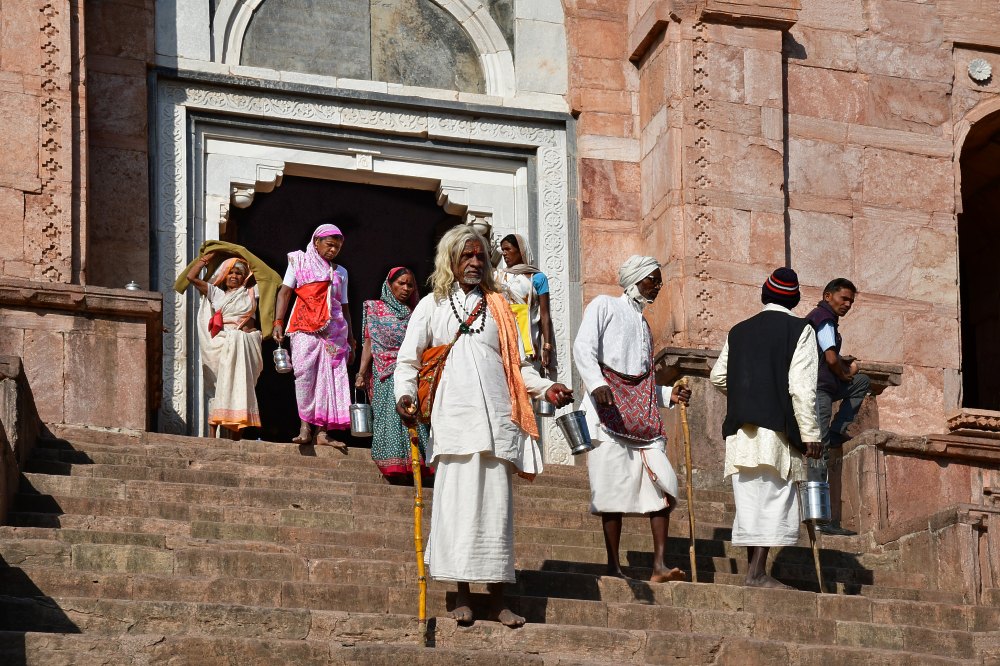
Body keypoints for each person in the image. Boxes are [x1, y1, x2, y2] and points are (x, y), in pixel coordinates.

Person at [394, 225, 573, 627]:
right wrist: (405, 395)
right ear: (451, 260)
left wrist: (547, 388)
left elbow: (519, 366)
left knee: (496, 513)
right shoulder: (432, 305)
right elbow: (408, 360)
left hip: (497, 422)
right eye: (467, 256)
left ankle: (498, 598)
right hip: (454, 420)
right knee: (456, 508)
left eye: (480, 256)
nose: (475, 262)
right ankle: (460, 594)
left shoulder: (500, 307)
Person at [573, 255, 691, 583]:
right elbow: (583, 347)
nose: (658, 285)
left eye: (659, 280)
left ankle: (659, 566)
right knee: (611, 493)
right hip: (606, 416)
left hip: (642, 422)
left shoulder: (644, 325)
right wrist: (596, 384)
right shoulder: (604, 305)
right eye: (653, 278)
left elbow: (641, 379)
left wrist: (667, 395)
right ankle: (613, 566)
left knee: (662, 484)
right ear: (635, 280)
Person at [709, 267, 823, 589]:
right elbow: (801, 389)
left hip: (741, 433)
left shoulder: (738, 331)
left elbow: (718, 377)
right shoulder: (801, 330)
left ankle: (754, 572)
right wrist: (811, 434)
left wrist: (749, 394)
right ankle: (757, 573)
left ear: (764, 294)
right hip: (776, 431)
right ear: (795, 300)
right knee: (774, 497)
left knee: (751, 500)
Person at [272, 224, 356, 450]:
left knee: (329, 379)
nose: (333, 250)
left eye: (337, 247)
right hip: (303, 325)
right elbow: (285, 293)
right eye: (329, 245)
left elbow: (345, 306)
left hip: (334, 332)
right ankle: (305, 427)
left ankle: (323, 433)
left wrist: (351, 339)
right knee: (304, 375)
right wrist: (278, 321)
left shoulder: (341, 272)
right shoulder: (298, 261)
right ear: (316, 242)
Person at [356, 267, 432, 484]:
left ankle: (416, 463)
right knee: (388, 417)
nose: (406, 288)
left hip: (408, 371)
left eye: (410, 285)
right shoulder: (374, 308)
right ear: (389, 285)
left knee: (410, 415)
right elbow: (369, 343)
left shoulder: (416, 313)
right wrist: (361, 373)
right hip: (382, 372)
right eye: (401, 283)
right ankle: (392, 464)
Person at [805, 278, 869, 535]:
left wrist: (844, 364)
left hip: (825, 387)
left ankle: (836, 430)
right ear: (828, 296)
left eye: (851, 301)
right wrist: (844, 372)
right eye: (844, 298)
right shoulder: (824, 319)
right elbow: (830, 359)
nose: (848, 304)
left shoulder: (822, 318)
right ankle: (819, 518)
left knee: (861, 382)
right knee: (818, 450)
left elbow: (829, 354)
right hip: (818, 390)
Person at [184, 252, 263, 439]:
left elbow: (272, 279)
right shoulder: (217, 293)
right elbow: (191, 277)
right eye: (230, 272)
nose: (234, 276)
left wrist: (245, 254)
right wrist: (205, 259)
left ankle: (236, 436)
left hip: (245, 345)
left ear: (244, 277)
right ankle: (213, 434)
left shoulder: (252, 292)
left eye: (238, 273)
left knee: (241, 386)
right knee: (221, 386)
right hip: (222, 343)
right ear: (224, 276)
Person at [496, 234, 554, 368]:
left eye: (508, 249)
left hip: (528, 338)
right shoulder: (498, 276)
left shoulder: (538, 278)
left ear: (521, 250)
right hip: (502, 335)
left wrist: (547, 346)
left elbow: (545, 314)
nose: (504, 253)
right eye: (502, 250)